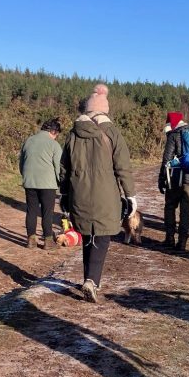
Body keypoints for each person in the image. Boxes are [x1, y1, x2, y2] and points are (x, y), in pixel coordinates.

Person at [60, 84, 135, 303]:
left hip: (78, 192)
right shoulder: (112, 132)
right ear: (104, 110)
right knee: (101, 238)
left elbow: (63, 169)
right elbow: (123, 167)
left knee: (86, 236)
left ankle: (88, 278)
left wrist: (64, 195)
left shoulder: (73, 134)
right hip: (106, 194)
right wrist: (131, 195)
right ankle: (92, 281)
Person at [158, 111, 189, 251]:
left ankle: (170, 238)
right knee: (186, 209)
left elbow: (166, 160)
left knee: (170, 206)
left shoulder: (174, 135)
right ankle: (182, 242)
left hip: (176, 177)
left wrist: (161, 179)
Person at [19, 118, 63, 249]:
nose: (56, 137)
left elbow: (21, 163)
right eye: (57, 134)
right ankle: (48, 241)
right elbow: (58, 167)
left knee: (31, 210)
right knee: (47, 212)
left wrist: (26, 177)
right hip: (47, 184)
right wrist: (61, 183)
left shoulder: (28, 141)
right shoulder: (53, 144)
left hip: (29, 181)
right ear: (53, 131)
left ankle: (31, 240)